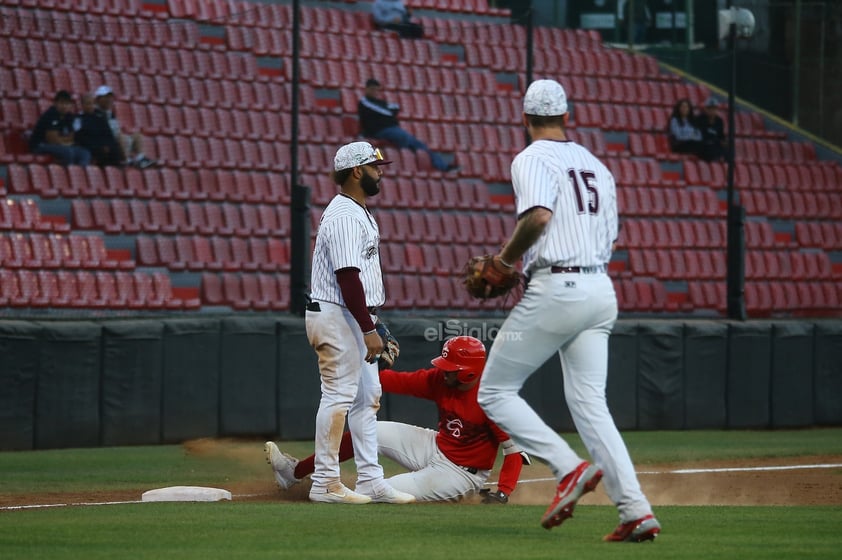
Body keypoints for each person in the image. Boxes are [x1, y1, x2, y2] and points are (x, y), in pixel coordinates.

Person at [475, 79, 661, 542]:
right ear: (566, 116)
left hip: (559, 286)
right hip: (600, 288)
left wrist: (502, 262)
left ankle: (567, 468)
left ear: (524, 119)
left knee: (495, 392)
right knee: (591, 405)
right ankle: (636, 511)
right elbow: (611, 239)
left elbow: (537, 216)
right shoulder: (597, 165)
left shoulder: (532, 157)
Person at [266, 336, 529, 503]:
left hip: (461, 473)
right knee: (370, 431)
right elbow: (399, 381)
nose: (443, 371)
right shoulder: (440, 381)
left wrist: (504, 492)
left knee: (379, 491)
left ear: (468, 375)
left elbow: (514, 452)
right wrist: (360, 371)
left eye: (451, 369)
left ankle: (337, 494)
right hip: (437, 445)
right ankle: (293, 472)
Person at [302, 141, 414, 505]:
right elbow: (348, 276)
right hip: (336, 313)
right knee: (337, 395)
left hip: (352, 314)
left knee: (368, 399)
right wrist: (368, 329)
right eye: (374, 166)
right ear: (355, 172)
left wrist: (371, 322)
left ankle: (370, 479)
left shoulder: (358, 210)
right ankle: (325, 482)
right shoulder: (345, 215)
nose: (381, 171)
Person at [358, 78, 458, 173]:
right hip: (378, 131)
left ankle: (443, 167)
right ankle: (407, 164)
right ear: (366, 89)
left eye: (377, 90)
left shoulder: (380, 102)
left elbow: (395, 107)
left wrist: (390, 110)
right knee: (404, 138)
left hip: (392, 129)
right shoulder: (364, 102)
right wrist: (390, 111)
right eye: (372, 89)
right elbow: (386, 111)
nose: (375, 92)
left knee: (420, 145)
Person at [93, 85, 157, 169]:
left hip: (118, 141)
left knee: (137, 136)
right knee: (121, 137)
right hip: (109, 143)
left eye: (110, 97)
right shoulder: (95, 113)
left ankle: (140, 158)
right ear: (98, 99)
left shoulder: (110, 114)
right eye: (106, 97)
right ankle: (126, 161)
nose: (109, 100)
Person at [28, 90, 92, 166]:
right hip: (40, 145)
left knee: (85, 153)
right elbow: (52, 139)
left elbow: (71, 137)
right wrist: (64, 141)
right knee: (67, 152)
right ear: (55, 103)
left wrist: (62, 141)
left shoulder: (69, 116)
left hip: (61, 145)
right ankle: (68, 175)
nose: (64, 106)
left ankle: (80, 175)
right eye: (62, 103)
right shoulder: (51, 114)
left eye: (67, 103)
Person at [74, 93, 126, 168]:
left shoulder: (100, 117)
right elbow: (79, 136)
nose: (90, 106)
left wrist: (107, 145)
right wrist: (100, 146)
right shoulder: (78, 119)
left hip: (104, 145)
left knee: (114, 148)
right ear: (82, 105)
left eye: (92, 103)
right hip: (90, 146)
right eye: (88, 104)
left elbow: (108, 133)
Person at [695, 97, 727, 163]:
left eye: (714, 108)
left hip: (715, 145)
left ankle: (727, 168)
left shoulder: (719, 121)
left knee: (729, 149)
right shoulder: (699, 119)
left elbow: (721, 135)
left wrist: (724, 142)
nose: (712, 110)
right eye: (710, 108)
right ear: (705, 109)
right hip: (702, 146)